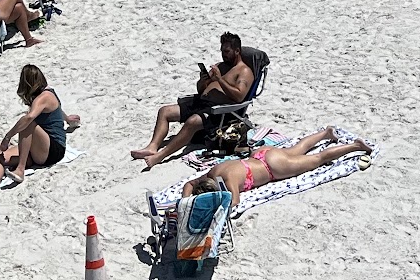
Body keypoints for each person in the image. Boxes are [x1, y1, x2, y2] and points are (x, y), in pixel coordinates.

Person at [130, 32, 256, 169]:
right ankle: (152, 147)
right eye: (221, 51)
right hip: (201, 102)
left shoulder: (244, 71)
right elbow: (201, 90)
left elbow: (239, 96)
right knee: (165, 111)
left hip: (220, 112)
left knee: (192, 122)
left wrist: (219, 79)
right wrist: (203, 81)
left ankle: (161, 155)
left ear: (237, 51)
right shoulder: (220, 66)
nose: (223, 54)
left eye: (226, 51)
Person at [0, 64, 78, 199]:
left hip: (54, 150)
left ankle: (20, 169)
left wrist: (7, 137)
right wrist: (68, 119)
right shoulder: (44, 96)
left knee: (27, 122)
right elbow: (57, 110)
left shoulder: (45, 96)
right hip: (38, 149)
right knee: (0, 155)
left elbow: (29, 118)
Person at [182, 129, 372, 203]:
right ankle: (325, 134)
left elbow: (234, 202)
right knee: (298, 149)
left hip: (273, 168)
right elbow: (189, 184)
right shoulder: (213, 172)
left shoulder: (229, 181)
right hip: (261, 154)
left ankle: (356, 146)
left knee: (318, 159)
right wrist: (185, 201)